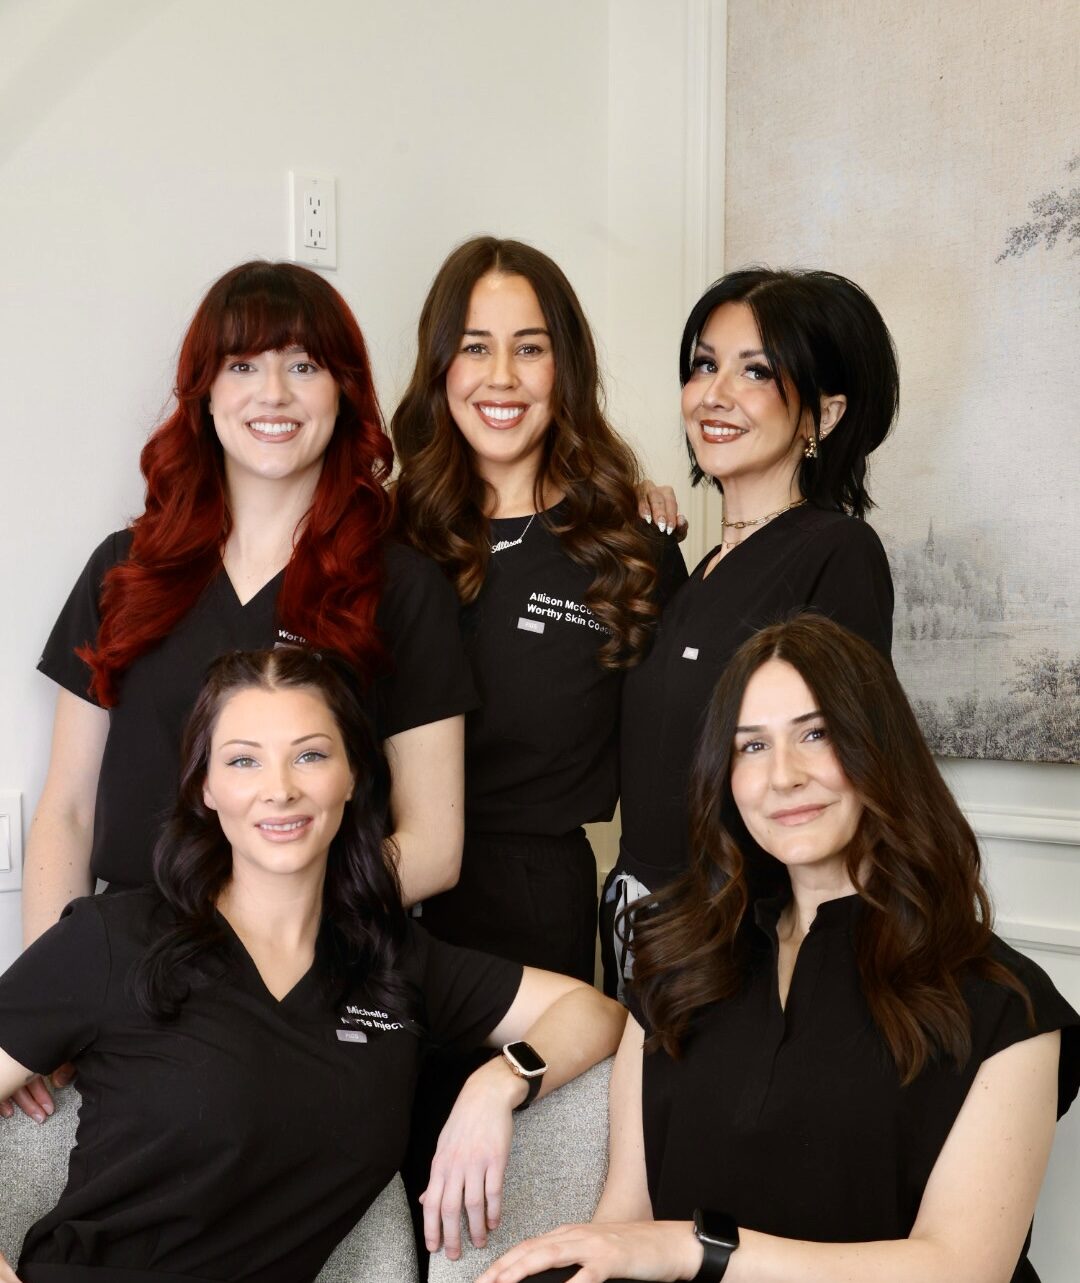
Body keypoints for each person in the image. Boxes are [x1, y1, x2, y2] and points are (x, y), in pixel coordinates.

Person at [476, 614, 1080, 1283]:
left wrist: (697, 1250)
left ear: (880, 748)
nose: (782, 776)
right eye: (752, 746)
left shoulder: (1005, 1004)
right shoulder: (676, 963)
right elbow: (626, 1218)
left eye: (816, 734)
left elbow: (961, 1269)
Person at [9, 259, 475, 1118]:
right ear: (205, 393)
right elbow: (67, 810)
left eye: (304, 365)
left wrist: (267, 925)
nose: (274, 393)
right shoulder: (123, 571)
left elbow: (435, 842)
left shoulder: (403, 589)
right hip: (126, 974)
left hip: (307, 975)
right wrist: (50, 995)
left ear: (344, 392)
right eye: (243, 365)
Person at [0, 647, 626, 1283]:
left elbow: (594, 1011)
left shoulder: (392, 961)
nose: (280, 790)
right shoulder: (113, 938)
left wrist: (500, 1083)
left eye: (310, 756)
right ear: (206, 788)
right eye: (244, 760)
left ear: (352, 775)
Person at [393, 235, 687, 982]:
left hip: (533, 909)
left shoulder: (629, 548)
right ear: (440, 365)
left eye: (529, 349)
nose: (502, 376)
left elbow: (677, 771)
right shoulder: (384, 534)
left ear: (567, 368)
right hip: (376, 894)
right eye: (475, 347)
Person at [604, 266, 900, 995]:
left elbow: (844, 775)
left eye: (756, 371)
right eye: (705, 365)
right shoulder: (694, 571)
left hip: (740, 933)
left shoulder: (838, 551)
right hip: (638, 922)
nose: (715, 393)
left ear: (824, 415)